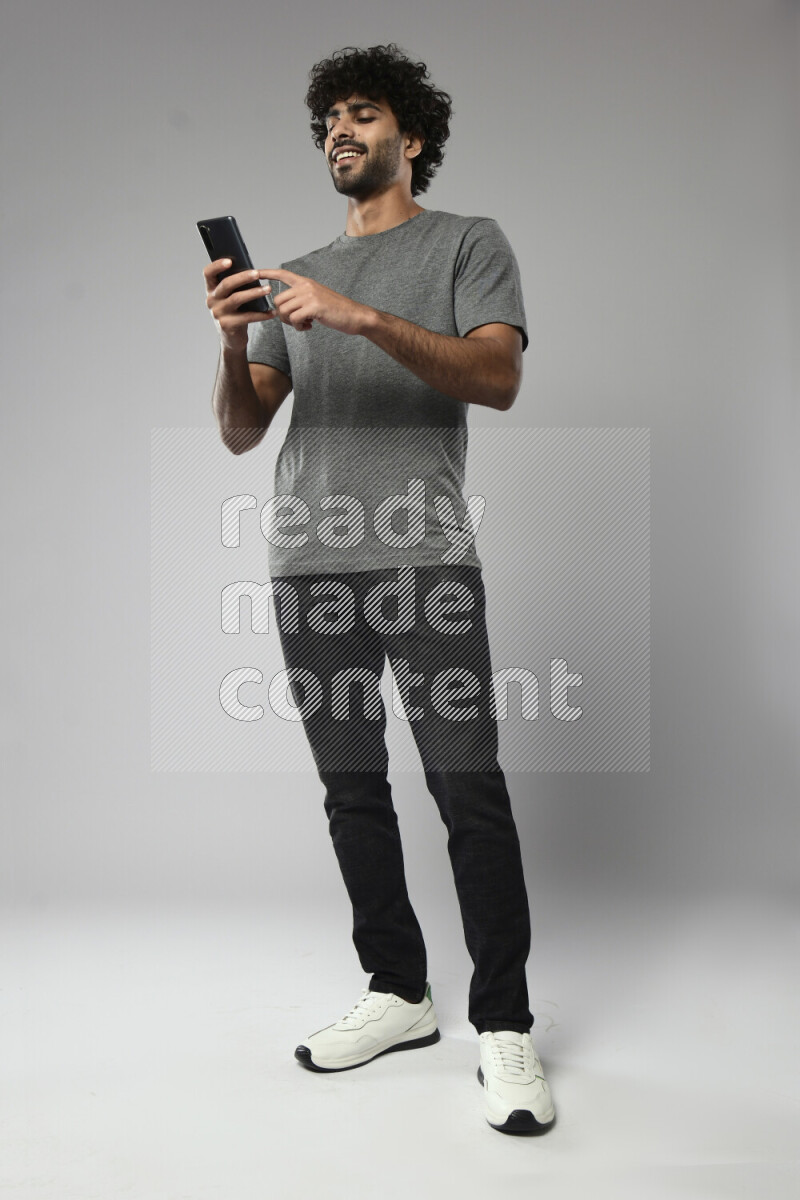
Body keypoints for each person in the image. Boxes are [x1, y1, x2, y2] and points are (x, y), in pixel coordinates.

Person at [203, 43, 555, 1135]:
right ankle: (399, 992)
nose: (338, 135)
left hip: (423, 563)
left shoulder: (466, 244)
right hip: (309, 565)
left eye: (361, 115)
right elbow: (240, 428)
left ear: (410, 134)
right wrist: (234, 339)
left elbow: (493, 378)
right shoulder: (286, 276)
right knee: (353, 792)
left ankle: (502, 1024)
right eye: (326, 123)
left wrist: (355, 317)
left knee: (466, 789)